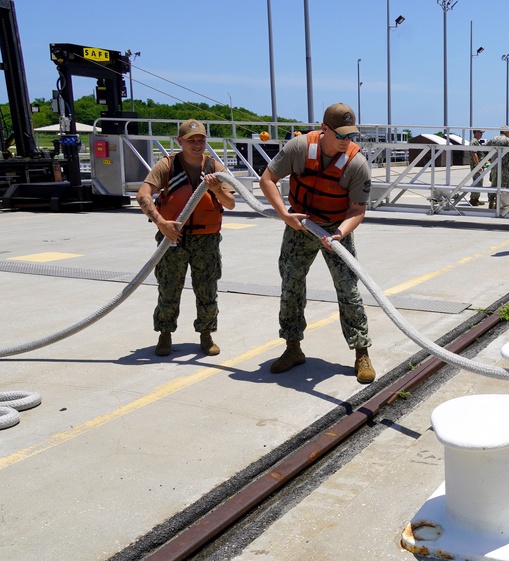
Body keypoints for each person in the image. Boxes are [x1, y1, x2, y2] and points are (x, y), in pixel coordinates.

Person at [258, 102, 377, 384]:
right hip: (299, 225)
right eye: (342, 135)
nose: (347, 141)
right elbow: (268, 179)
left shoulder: (356, 163)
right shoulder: (299, 148)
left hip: (336, 229)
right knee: (291, 285)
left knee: (348, 289)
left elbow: (357, 210)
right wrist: (284, 215)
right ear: (325, 129)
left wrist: (340, 234)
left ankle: (361, 352)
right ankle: (292, 347)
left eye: (351, 135)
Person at [137, 119, 236, 358]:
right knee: (169, 288)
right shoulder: (167, 165)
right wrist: (161, 222)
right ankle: (165, 335)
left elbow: (230, 203)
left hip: (206, 240)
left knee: (207, 289)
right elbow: (143, 194)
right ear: (180, 141)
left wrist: (215, 189)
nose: (197, 144)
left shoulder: (215, 167)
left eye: (201, 140)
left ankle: (206, 335)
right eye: (191, 140)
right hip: (173, 237)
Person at [485, 126, 509, 210]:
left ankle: (491, 202)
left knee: (493, 184)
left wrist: (488, 159)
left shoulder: (493, 139)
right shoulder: (507, 140)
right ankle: (499, 203)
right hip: (504, 167)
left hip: (494, 166)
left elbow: (484, 148)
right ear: (505, 132)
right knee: (503, 185)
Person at [468, 129, 487, 206]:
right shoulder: (474, 142)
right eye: (480, 133)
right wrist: (478, 165)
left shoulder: (477, 142)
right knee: (477, 181)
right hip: (476, 166)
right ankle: (473, 199)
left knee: (479, 182)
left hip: (479, 165)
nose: (482, 134)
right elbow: (474, 153)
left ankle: (476, 199)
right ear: (475, 132)